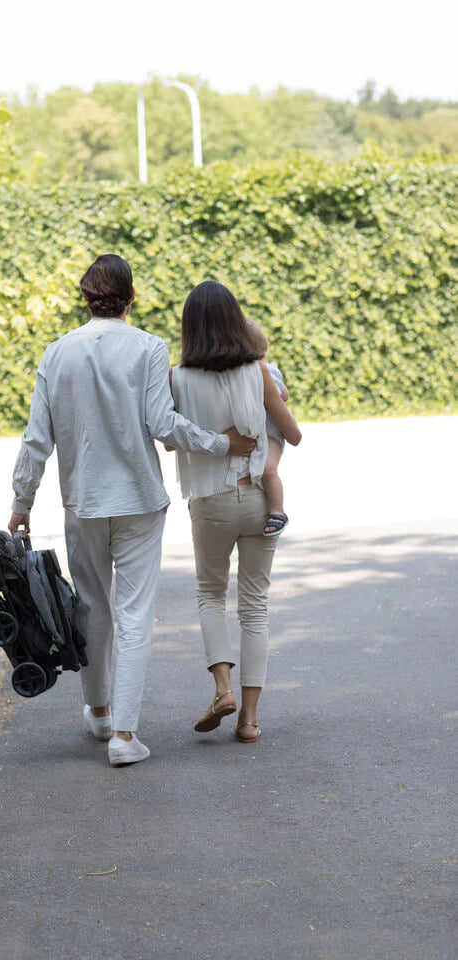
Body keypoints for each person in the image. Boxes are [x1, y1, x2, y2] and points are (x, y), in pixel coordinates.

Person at [8, 255, 256, 766]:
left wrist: (21, 502)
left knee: (92, 608)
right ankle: (124, 735)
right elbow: (165, 428)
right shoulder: (148, 348)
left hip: (83, 501)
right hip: (140, 500)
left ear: (85, 296)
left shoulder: (56, 354)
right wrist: (220, 444)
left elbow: (37, 440)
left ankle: (97, 713)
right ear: (131, 297)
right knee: (135, 614)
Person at [169, 281, 301, 743]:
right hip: (260, 500)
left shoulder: (177, 378)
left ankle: (222, 689)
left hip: (211, 502)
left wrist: (214, 436)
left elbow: (169, 437)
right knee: (255, 609)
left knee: (210, 595)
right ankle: (248, 721)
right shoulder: (258, 371)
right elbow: (294, 435)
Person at [246, 320, 292, 537]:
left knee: (268, 469)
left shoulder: (268, 370)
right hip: (257, 433)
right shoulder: (246, 372)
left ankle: (277, 511)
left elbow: (283, 395)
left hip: (272, 434)